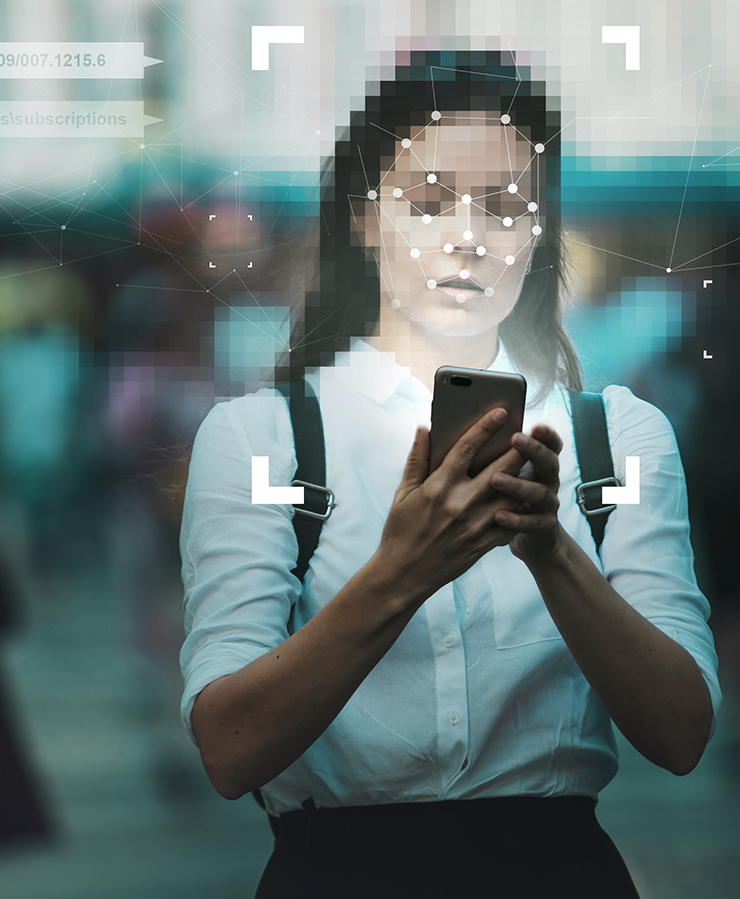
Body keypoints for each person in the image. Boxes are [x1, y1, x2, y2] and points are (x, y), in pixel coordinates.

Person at [178, 49, 721, 898]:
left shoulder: (617, 435)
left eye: (504, 205)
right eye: (427, 200)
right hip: (337, 875)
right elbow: (229, 746)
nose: (467, 235)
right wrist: (403, 571)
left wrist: (550, 550)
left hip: (558, 873)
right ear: (365, 216)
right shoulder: (262, 439)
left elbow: (683, 732)